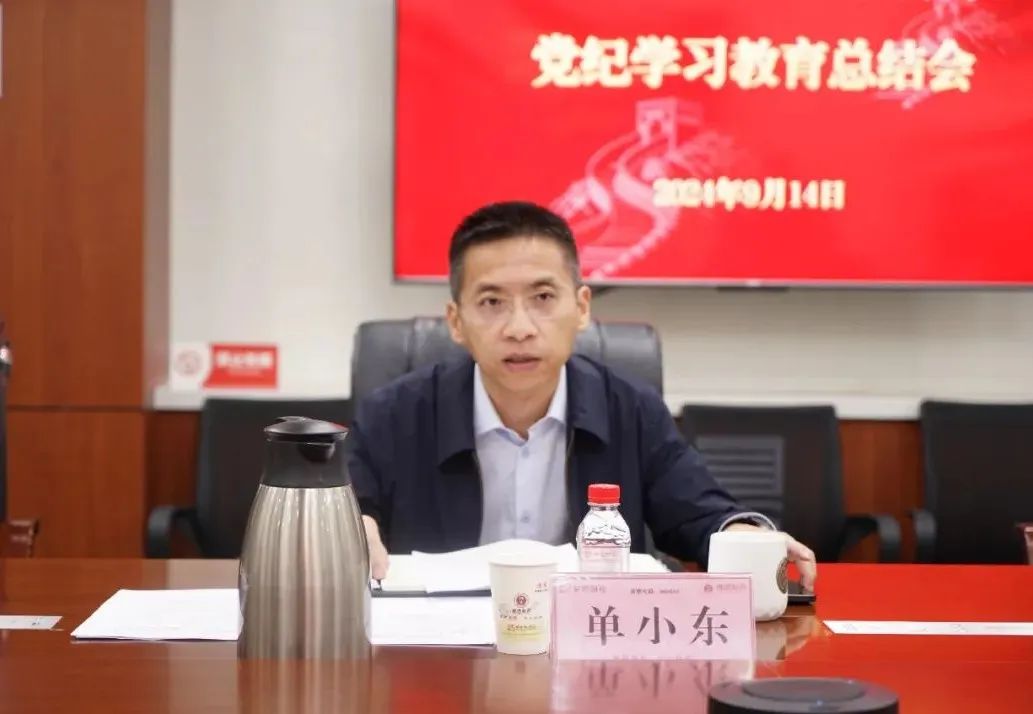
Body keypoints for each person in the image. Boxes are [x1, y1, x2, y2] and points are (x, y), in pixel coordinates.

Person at [347, 201, 817, 589]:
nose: (519, 328)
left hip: (590, 643)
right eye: (491, 302)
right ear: (456, 321)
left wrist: (742, 535)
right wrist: (350, 531)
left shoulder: (631, 409)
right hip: (439, 650)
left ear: (581, 308)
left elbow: (699, 514)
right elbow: (351, 511)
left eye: (543, 298)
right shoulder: (392, 416)